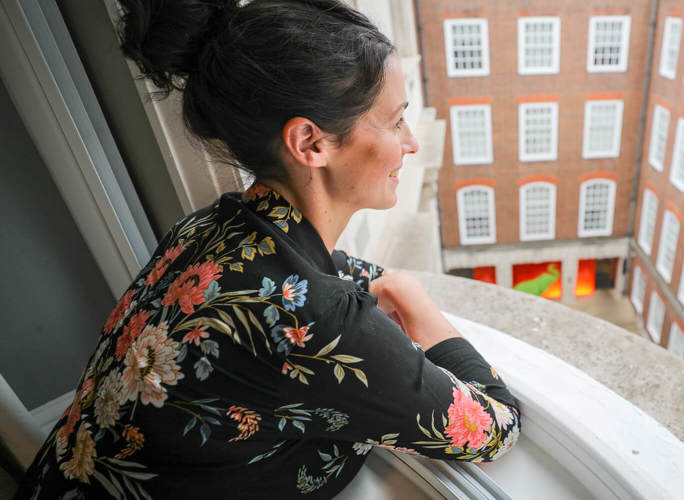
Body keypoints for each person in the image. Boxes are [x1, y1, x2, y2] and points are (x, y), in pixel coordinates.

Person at [15, 0, 520, 497]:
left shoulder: (208, 228)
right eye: (394, 122)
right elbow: (496, 424)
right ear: (311, 143)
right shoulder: (320, 326)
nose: (410, 142)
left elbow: (322, 272)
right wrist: (415, 298)